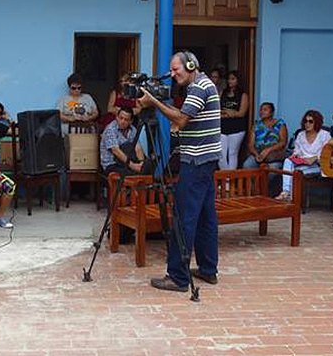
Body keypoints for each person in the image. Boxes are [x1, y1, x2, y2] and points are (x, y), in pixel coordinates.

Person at [138, 51, 221, 292]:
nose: (173, 75)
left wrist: (153, 102)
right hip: (207, 160)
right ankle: (208, 269)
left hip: (195, 162)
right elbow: (187, 121)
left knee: (183, 219)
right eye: (172, 71)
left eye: (176, 70)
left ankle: (177, 277)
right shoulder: (206, 84)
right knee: (206, 218)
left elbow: (182, 120)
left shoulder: (198, 88)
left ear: (191, 65)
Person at [275, 110, 331, 201]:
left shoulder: (324, 135)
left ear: (317, 122)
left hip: (318, 165)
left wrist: (315, 158)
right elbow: (297, 151)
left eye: (310, 121)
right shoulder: (301, 134)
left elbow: (328, 153)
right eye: (305, 121)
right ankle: (286, 192)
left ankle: (291, 198)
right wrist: (294, 156)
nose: (307, 123)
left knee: (296, 172)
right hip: (303, 163)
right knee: (288, 161)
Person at [99, 106, 147, 176]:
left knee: (147, 170)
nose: (122, 122)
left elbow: (138, 147)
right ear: (116, 117)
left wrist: (141, 163)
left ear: (131, 121)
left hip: (126, 162)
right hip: (112, 165)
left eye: (126, 120)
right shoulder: (111, 129)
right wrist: (133, 166)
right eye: (121, 118)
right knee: (131, 175)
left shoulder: (133, 130)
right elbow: (116, 151)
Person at [242, 102, 288, 171]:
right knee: (247, 165)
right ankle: (255, 182)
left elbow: (283, 142)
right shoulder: (256, 125)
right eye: (260, 110)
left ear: (272, 112)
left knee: (272, 170)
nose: (261, 112)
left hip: (274, 154)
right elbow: (251, 145)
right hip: (258, 152)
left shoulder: (280, 123)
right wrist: (256, 154)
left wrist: (268, 150)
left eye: (265, 109)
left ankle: (263, 182)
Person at [219, 70, 248, 170]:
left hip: (237, 128)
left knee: (232, 154)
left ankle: (229, 181)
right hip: (222, 128)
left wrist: (226, 112)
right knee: (221, 155)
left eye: (233, 79)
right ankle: (226, 180)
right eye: (229, 79)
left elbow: (241, 113)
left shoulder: (243, 95)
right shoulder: (223, 92)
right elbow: (217, 110)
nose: (230, 81)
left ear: (238, 80)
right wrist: (230, 113)